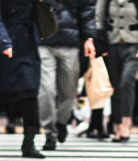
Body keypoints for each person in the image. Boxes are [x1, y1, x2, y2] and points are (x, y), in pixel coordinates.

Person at [0, 0, 44, 158]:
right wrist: (4, 42)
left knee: (30, 92)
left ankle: (29, 144)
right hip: (3, 43)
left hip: (26, 41)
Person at [37, 0, 96, 150]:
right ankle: (49, 132)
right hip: (44, 40)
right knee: (46, 89)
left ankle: (61, 122)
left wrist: (89, 38)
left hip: (70, 42)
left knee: (69, 92)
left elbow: (87, 10)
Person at [96, 0, 138, 143]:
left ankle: (126, 123)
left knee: (126, 83)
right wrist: (100, 43)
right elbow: (98, 18)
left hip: (133, 46)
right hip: (112, 46)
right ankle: (117, 125)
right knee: (115, 86)